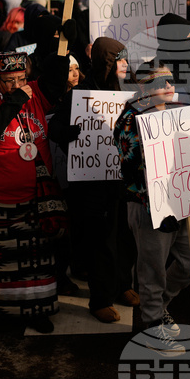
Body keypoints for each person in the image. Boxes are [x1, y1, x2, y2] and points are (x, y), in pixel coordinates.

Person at [0, 51, 68, 333]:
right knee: (4, 265)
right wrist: (13, 101)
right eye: (10, 81)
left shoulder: (36, 93)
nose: (17, 85)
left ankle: (38, 311)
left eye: (22, 79)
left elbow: (56, 78)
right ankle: (4, 314)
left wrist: (58, 50)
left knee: (37, 263)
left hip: (36, 198)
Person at [114, 62, 190, 354]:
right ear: (144, 88)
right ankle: (152, 327)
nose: (168, 86)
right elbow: (131, 168)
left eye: (170, 80)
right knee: (152, 270)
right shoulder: (130, 118)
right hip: (149, 207)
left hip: (184, 202)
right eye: (160, 82)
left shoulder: (178, 112)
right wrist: (158, 207)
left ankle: (160, 305)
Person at [49, 38, 139, 323]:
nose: (125, 65)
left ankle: (123, 285)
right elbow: (55, 129)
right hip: (92, 184)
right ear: (106, 63)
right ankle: (100, 299)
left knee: (124, 237)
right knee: (101, 241)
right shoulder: (80, 95)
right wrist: (71, 134)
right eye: (119, 60)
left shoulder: (127, 92)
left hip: (122, 180)